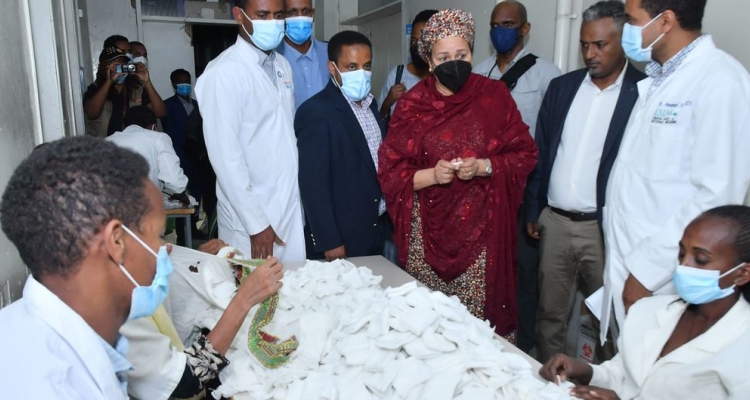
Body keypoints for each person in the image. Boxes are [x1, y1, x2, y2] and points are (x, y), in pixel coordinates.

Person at [378, 8, 537, 340]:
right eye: (444, 56)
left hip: (483, 238)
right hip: (427, 237)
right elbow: (392, 173)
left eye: (461, 54)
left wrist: (484, 166)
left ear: (472, 51)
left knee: (476, 334)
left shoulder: (494, 97)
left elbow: (524, 153)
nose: (454, 62)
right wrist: (434, 175)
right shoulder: (412, 105)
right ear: (430, 61)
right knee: (428, 331)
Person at [600, 0, 750, 344]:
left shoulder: (720, 81)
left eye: (631, 20)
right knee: (631, 370)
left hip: (665, 275)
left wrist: (647, 271)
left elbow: (717, 197)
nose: (626, 29)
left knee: (662, 377)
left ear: (665, 21)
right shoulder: (660, 78)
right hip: (631, 260)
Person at [0, 137, 169, 398]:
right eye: (157, 234)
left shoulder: (24, 328)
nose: (163, 250)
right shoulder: (53, 387)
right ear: (116, 242)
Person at [525, 1, 646, 363]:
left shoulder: (644, 93)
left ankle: (605, 383)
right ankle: (549, 382)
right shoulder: (562, 88)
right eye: (584, 45)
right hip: (557, 223)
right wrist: (535, 208)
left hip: (605, 230)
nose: (590, 54)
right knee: (550, 313)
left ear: (623, 41)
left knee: (610, 320)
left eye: (600, 45)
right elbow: (541, 153)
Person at [540, 205, 750, 400]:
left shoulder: (742, 345)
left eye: (701, 260)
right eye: (681, 253)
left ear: (742, 274)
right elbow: (624, 375)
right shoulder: (650, 310)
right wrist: (586, 370)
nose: (683, 266)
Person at [472, 0, 561, 354]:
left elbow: (547, 140)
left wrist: (537, 202)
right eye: (495, 24)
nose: (500, 30)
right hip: (482, 187)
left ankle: (523, 346)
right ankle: (484, 337)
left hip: (523, 191)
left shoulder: (546, 74)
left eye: (508, 23)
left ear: (524, 29)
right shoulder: (479, 72)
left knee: (523, 272)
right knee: (486, 269)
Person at [195, 0, 305, 262]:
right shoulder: (223, 73)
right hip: (250, 220)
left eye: (278, 15)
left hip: (288, 205)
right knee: (251, 296)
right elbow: (226, 158)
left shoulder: (282, 65)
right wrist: (257, 225)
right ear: (239, 16)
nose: (273, 23)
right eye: (263, 15)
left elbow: (284, 136)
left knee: (296, 293)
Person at [122, 240, 284, 400]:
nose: (168, 246)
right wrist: (243, 300)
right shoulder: (117, 311)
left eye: (162, 237)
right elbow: (183, 381)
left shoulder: (126, 279)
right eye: (152, 235)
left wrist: (196, 261)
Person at [295, 31, 389, 261]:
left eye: (366, 66)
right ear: (332, 68)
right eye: (351, 67)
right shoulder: (316, 112)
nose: (362, 74)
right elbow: (313, 184)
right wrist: (330, 241)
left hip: (376, 228)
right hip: (341, 239)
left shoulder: (372, 105)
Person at [84, 46, 167, 137]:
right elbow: (92, 113)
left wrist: (147, 82)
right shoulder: (95, 89)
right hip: (104, 147)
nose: (119, 69)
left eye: (122, 63)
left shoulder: (136, 90)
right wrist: (109, 82)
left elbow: (160, 113)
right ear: (103, 67)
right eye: (115, 65)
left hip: (130, 145)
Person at [107, 106, 189, 197]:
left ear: (124, 126)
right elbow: (175, 182)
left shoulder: (107, 141)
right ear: (154, 127)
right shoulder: (159, 138)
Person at [377, 9, 438, 119]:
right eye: (414, 41)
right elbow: (378, 118)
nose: (418, 47)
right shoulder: (397, 74)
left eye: (423, 41)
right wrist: (388, 101)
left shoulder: (445, 78)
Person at [276, 0, 329, 109]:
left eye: (305, 11)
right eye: (292, 12)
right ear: (282, 16)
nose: (300, 18)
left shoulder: (330, 53)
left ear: (313, 14)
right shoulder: (273, 58)